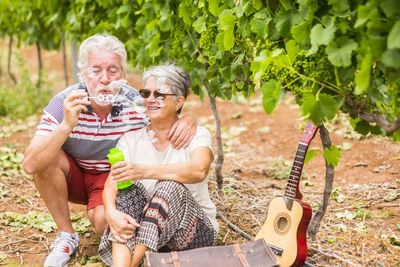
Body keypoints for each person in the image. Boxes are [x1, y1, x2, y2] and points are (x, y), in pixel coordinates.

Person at [22, 34, 197, 267]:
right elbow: (30, 164)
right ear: (83, 74)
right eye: (95, 71)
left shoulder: (137, 103)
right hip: (72, 174)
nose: (104, 79)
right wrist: (66, 125)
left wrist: (188, 119)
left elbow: (168, 113)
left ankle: (129, 229)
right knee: (45, 157)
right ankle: (66, 235)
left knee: (105, 224)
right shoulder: (63, 102)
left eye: (113, 71)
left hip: (112, 177)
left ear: (123, 75)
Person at [98, 64, 218, 267]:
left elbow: (199, 170)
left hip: (193, 234)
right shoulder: (130, 139)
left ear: (179, 101)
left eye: (159, 94)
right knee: (127, 192)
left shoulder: (198, 135)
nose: (150, 99)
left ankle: (131, 263)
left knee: (169, 186)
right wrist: (110, 212)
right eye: (146, 93)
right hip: (154, 232)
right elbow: (112, 184)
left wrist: (144, 170)